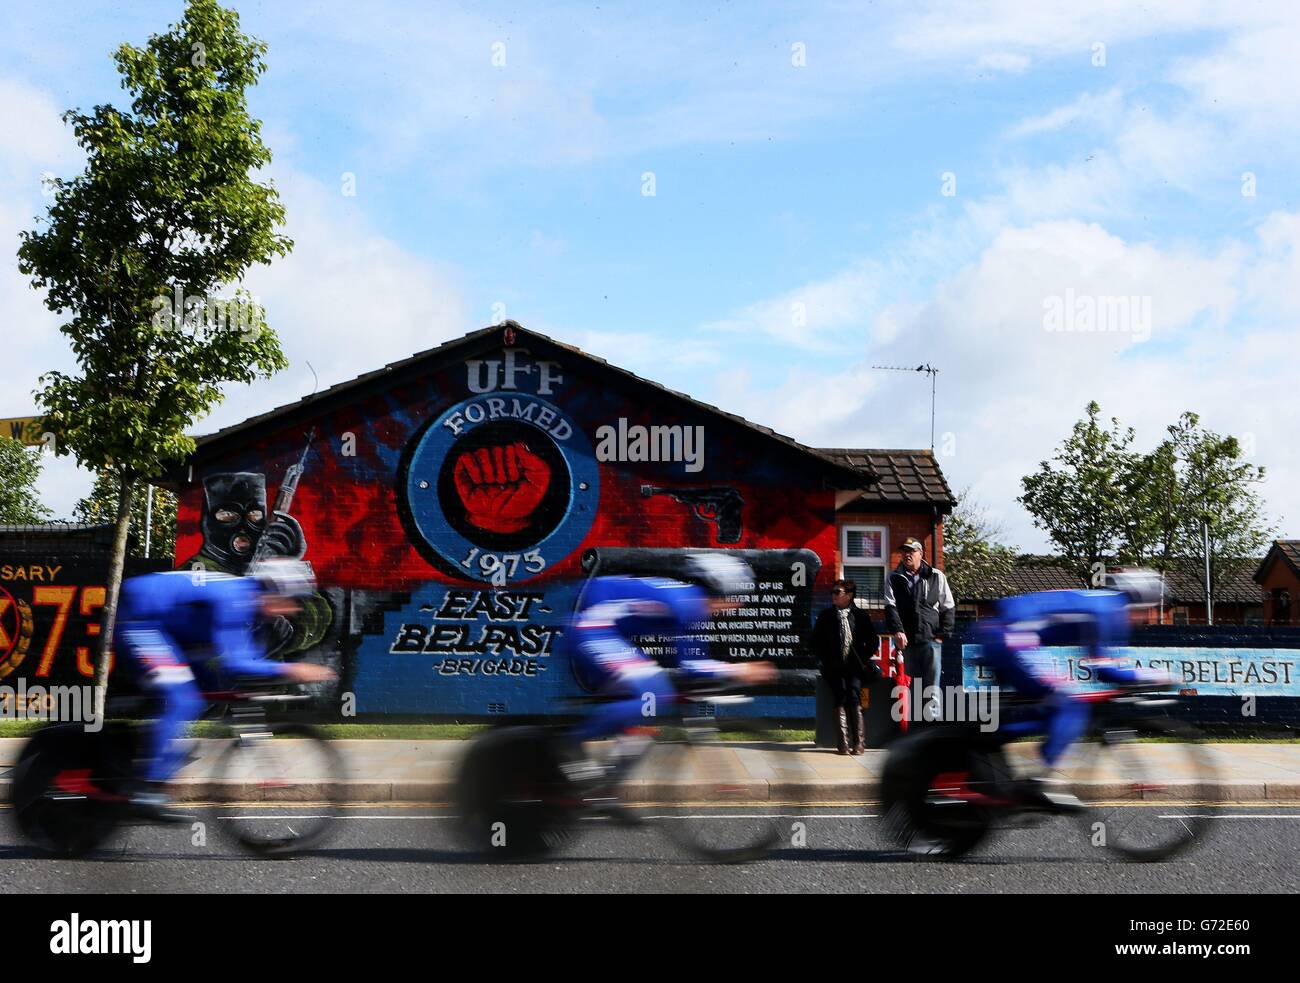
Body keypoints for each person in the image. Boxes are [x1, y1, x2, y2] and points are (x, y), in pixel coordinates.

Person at [115, 558, 336, 819]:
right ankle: (144, 789)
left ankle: (144, 752)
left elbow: (248, 663)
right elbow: (238, 665)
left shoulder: (251, 607)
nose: (294, 610)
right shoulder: (237, 601)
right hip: (141, 621)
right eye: (292, 600)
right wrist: (292, 670)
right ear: (273, 590)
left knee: (208, 688)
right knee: (184, 700)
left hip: (168, 631)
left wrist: (270, 678)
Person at [567, 553, 776, 789]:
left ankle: (605, 786)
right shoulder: (688, 605)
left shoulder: (689, 601)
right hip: (592, 631)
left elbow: (692, 663)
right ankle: (570, 743)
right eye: (734, 601)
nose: (733, 609)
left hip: (604, 633)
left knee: (647, 714)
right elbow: (693, 665)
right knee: (653, 695)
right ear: (720, 590)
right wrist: (741, 669)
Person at [975, 569, 1172, 812]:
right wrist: (1153, 676)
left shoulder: (1101, 603)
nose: (1146, 618)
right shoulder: (1111, 610)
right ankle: (1036, 784)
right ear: (1139, 601)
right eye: (1148, 610)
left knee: (1050, 706)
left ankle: (985, 742)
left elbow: (1098, 661)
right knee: (1070, 705)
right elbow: (1104, 669)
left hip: (1004, 634)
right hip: (1012, 638)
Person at [884, 537, 955, 722]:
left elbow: (948, 606)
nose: (907, 555)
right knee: (910, 686)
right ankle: (915, 728)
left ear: (920, 554)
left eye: (911, 551)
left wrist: (942, 635)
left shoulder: (936, 575)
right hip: (906, 642)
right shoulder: (893, 577)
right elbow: (890, 607)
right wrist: (898, 631)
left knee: (932, 688)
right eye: (904, 551)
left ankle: (931, 728)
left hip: (931, 640)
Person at [810, 579, 882, 754]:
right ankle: (843, 743)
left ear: (849, 595)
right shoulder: (826, 616)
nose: (833, 595)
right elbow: (815, 642)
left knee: (854, 695)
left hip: (854, 667)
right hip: (834, 667)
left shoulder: (860, 616)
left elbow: (872, 641)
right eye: (832, 592)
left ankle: (859, 743)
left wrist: (862, 658)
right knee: (840, 696)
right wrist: (825, 659)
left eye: (837, 592)